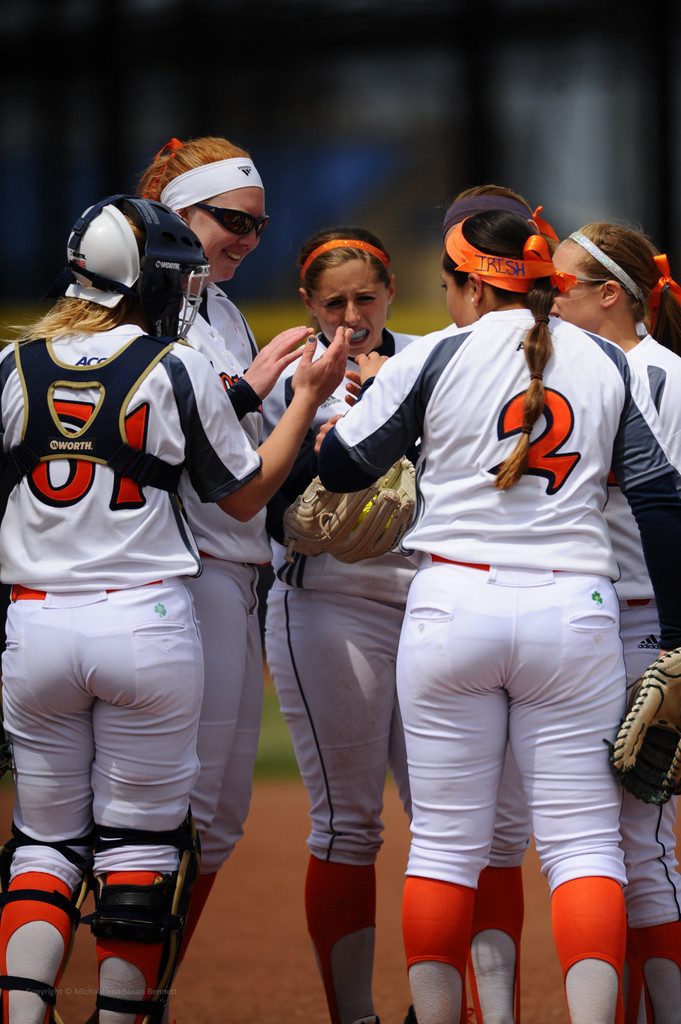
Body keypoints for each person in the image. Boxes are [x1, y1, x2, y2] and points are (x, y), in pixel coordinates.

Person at [315, 207, 681, 1024]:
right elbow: (658, 502)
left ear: (469, 281)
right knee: (585, 848)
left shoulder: (439, 354)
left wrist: (343, 416)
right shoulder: (598, 359)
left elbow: (340, 466)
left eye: (448, 284)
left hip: (451, 604)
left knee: (447, 847)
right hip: (573, 609)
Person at [0, 193, 349, 1024]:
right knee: (141, 848)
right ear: (146, 279)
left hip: (35, 622)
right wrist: (304, 398)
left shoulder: (12, 367)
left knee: (43, 846)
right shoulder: (173, 364)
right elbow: (243, 495)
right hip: (144, 622)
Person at [135, 136, 316, 955]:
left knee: (217, 818)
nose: (247, 237)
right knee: (160, 819)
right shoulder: (146, 298)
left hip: (234, 569)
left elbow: (239, 438)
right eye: (230, 221)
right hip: (180, 568)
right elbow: (168, 440)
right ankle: (115, 989)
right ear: (179, 214)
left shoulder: (222, 308)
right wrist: (263, 391)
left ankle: (143, 985)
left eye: (259, 224)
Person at [261, 227, 418, 1024]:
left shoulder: (431, 358)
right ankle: (353, 1017)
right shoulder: (283, 374)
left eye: (365, 297)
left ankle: (445, 1006)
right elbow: (260, 504)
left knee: (449, 820)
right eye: (334, 303)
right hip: (330, 601)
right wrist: (308, 414)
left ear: (389, 289)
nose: (351, 316)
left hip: (431, 599)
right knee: (349, 820)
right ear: (308, 304)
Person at [551, 223, 681, 1024]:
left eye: (561, 282)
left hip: (639, 622)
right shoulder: (582, 368)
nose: (546, 293)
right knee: (611, 849)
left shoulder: (654, 376)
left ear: (610, 294)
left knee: (634, 847)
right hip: (592, 621)